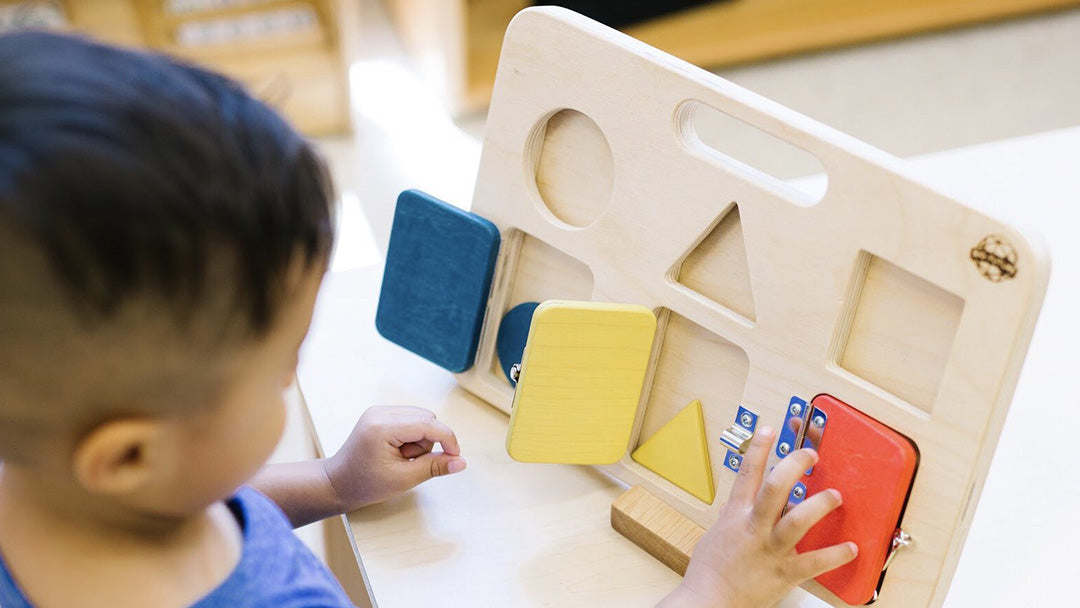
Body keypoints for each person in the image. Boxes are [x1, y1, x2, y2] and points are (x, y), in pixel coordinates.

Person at [0, 31, 855, 608]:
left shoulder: (44, 475)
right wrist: (714, 590)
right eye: (275, 369)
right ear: (127, 453)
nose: (296, 378)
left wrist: (331, 484)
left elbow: (193, 501)